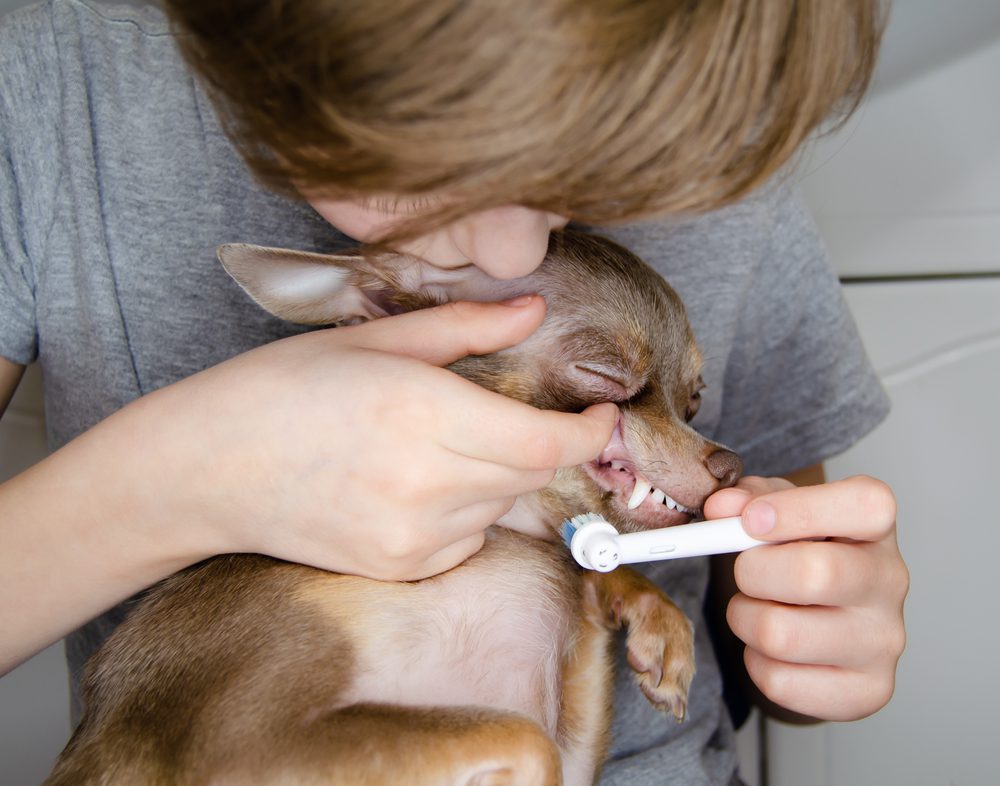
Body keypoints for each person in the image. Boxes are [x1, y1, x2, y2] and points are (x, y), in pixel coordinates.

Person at [0, 0, 907, 783]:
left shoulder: (706, 116)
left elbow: (774, 657)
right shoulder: (54, 87)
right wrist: (186, 480)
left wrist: (814, 639)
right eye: (430, 163)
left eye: (583, 182)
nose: (517, 261)